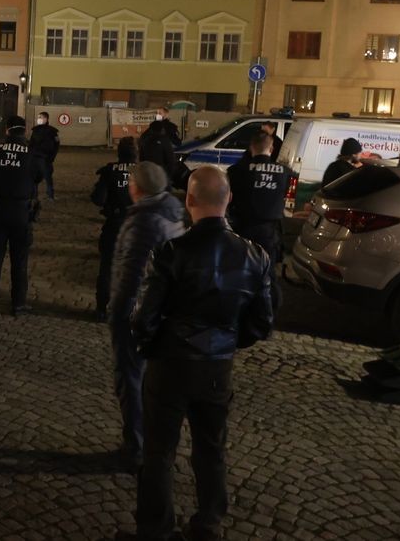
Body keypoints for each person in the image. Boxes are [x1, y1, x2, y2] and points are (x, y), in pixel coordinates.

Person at [125, 167, 275, 541]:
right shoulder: (255, 256)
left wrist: (150, 344)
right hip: (216, 368)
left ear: (189, 200)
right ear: (229, 200)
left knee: (159, 451)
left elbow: (144, 318)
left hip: (169, 364)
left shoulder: (172, 251)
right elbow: (262, 323)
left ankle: (155, 529)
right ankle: (208, 524)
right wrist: (225, 342)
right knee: (211, 449)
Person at [106, 161, 186, 471]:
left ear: (137, 187)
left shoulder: (145, 222)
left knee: (130, 379)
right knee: (148, 382)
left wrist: (119, 313)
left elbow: (134, 274)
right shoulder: (171, 213)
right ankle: (150, 443)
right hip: (160, 309)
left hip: (137, 313)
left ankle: (136, 448)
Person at [0, 115, 43, 315]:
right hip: (22, 212)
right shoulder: (33, 154)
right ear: (25, 130)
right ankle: (18, 303)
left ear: (6, 130)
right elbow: (38, 176)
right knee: (20, 260)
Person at [227, 132, 291, 305]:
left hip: (243, 230)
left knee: (240, 271)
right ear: (271, 148)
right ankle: (266, 311)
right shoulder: (285, 172)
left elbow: (229, 199)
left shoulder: (236, 171)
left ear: (251, 148)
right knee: (267, 275)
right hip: (270, 233)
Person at [91, 137, 138, 320]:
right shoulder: (145, 172)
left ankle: (102, 309)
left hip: (115, 225)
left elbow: (98, 198)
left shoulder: (110, 171)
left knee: (107, 268)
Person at [29, 112, 61, 200]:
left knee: (48, 177)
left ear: (46, 119)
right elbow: (31, 144)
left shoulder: (53, 131)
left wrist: (52, 157)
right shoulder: (35, 130)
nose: (39, 119)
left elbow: (57, 145)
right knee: (34, 178)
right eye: (38, 117)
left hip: (46, 159)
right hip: (35, 158)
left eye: (41, 117)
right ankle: (34, 196)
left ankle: (50, 195)